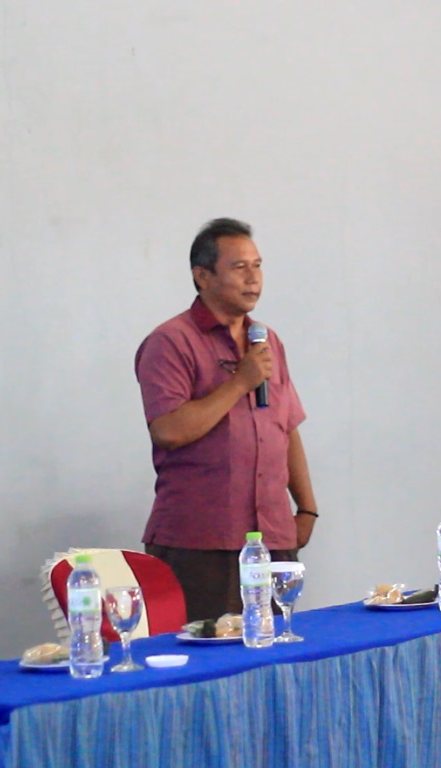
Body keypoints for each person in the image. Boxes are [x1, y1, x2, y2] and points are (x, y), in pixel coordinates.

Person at [134, 217, 319, 622]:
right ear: (202, 276)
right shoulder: (171, 342)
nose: (253, 278)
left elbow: (286, 427)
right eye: (239, 267)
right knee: (211, 652)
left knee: (275, 650)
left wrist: (306, 508)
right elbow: (168, 430)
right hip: (201, 543)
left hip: (272, 537)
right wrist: (240, 382)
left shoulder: (266, 341)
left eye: (257, 266)